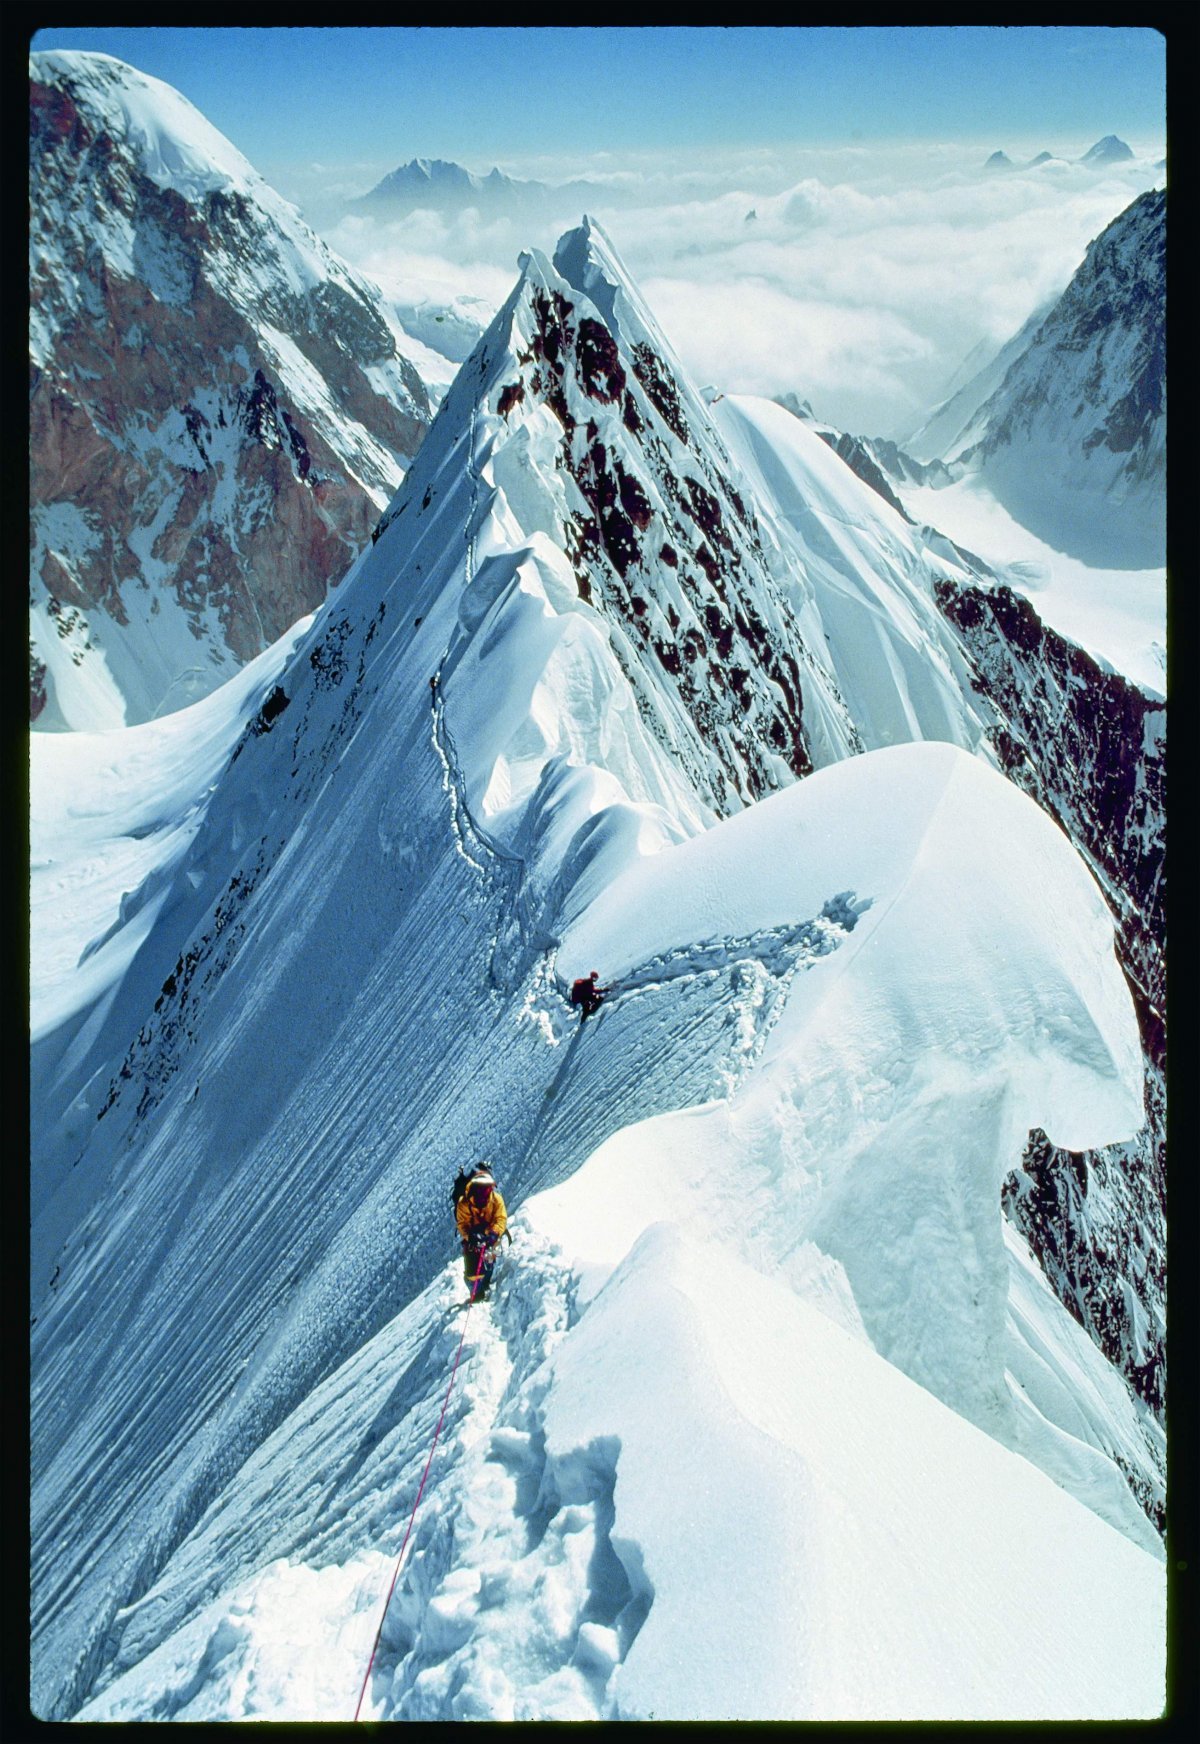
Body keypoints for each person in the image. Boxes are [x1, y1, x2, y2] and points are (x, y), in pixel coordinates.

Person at [454, 1166, 507, 1299]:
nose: (485, 1192)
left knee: (489, 1261)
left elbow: (500, 1219)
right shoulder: (464, 1203)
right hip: (475, 1238)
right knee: (473, 1266)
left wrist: (493, 1233)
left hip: (489, 1235)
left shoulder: (495, 1200)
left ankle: (483, 1285)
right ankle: (477, 1292)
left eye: (487, 1189)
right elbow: (463, 1224)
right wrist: (470, 1236)